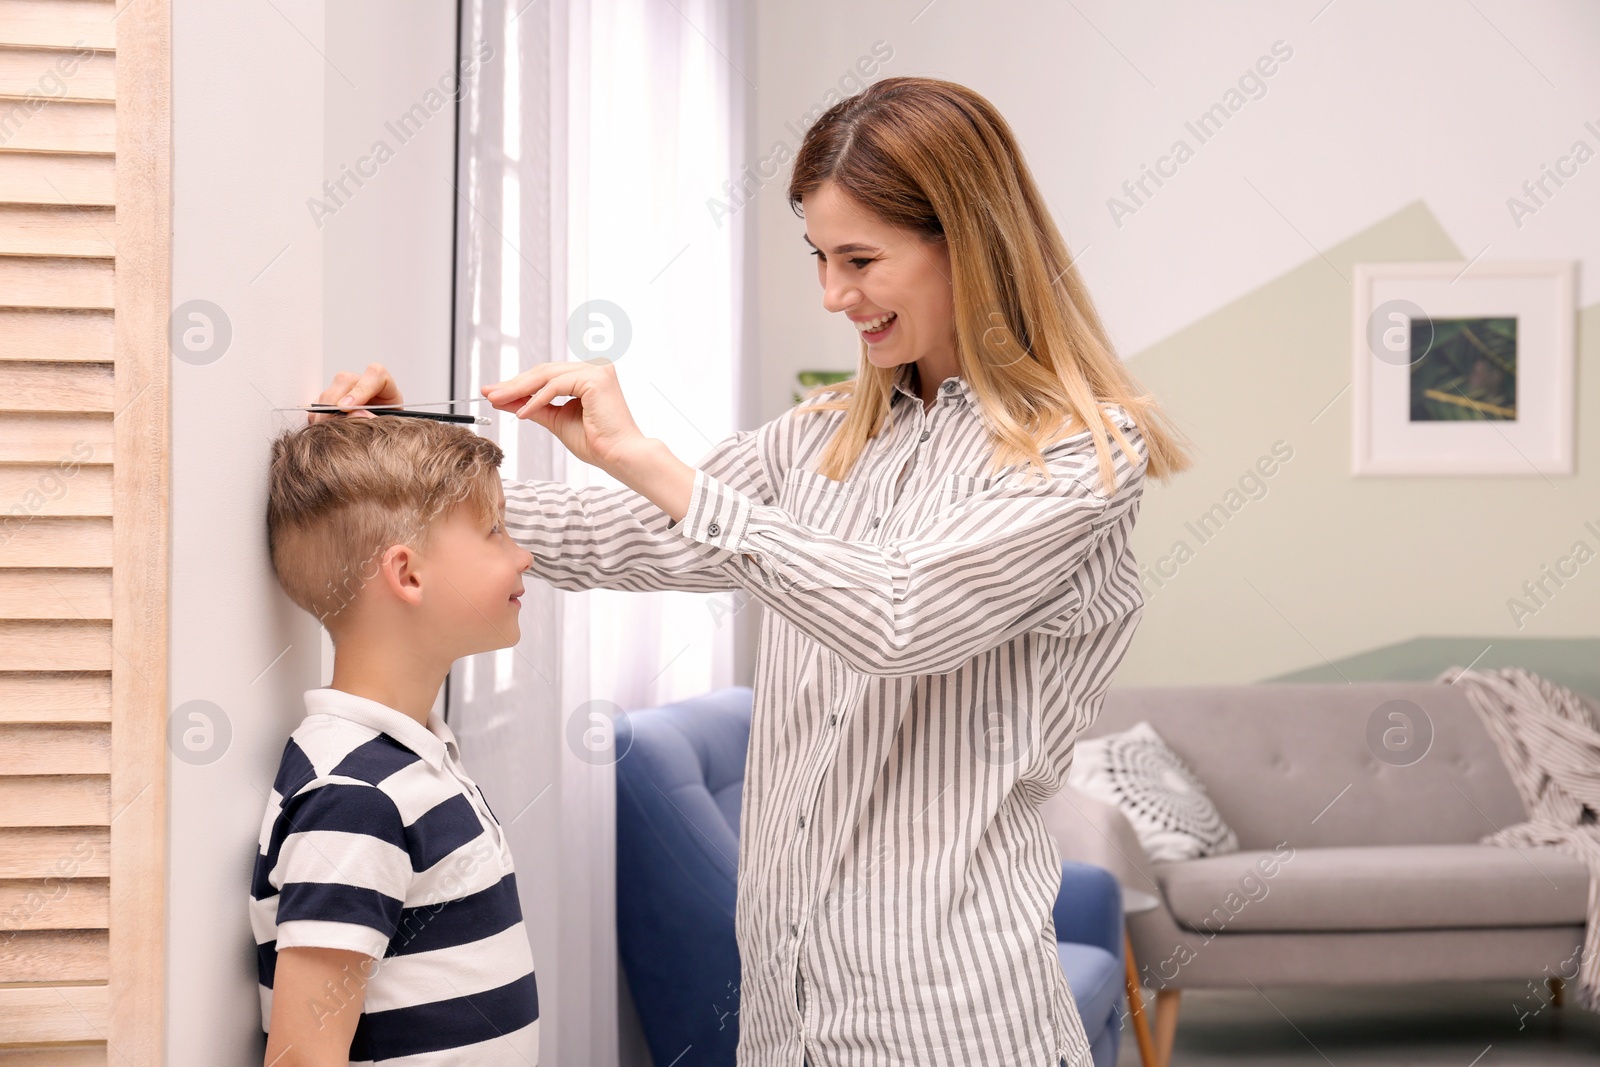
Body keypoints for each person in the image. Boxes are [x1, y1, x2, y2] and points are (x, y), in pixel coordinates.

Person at [314, 75, 1192, 1067]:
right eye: (819, 257)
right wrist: (404, 464)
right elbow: (624, 534)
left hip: (955, 1021)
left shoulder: (1077, 456)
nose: (832, 294)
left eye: (860, 259)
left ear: (968, 239)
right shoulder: (824, 438)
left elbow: (899, 616)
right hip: (787, 1017)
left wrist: (645, 456)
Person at [252, 416, 540, 1066]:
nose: (523, 553)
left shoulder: (418, 759)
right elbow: (303, 1057)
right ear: (407, 574)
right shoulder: (356, 797)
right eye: (495, 529)